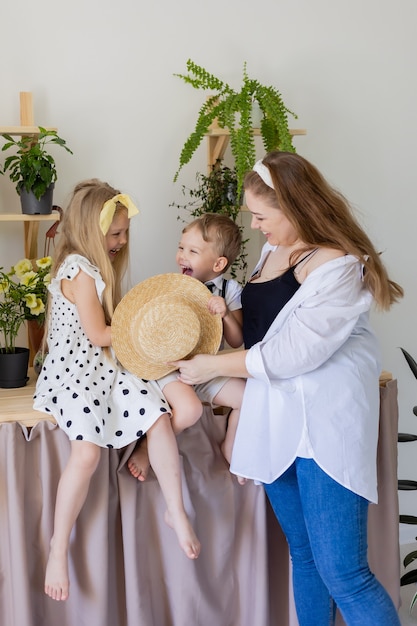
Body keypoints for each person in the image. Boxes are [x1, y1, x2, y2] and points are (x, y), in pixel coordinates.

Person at [173, 151, 404, 625]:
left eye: (261, 216)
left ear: (295, 209)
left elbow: (292, 353)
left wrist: (210, 367)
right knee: (305, 554)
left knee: (345, 572)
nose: (256, 227)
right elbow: (259, 328)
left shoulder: (338, 266)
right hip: (276, 415)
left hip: (321, 424)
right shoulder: (274, 250)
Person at [33, 179, 200, 603]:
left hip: (106, 364)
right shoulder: (78, 269)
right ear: (91, 231)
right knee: (86, 453)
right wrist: (147, 336)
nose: (122, 241)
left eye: (125, 232)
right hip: (75, 369)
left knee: (160, 419)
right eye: (115, 234)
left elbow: (110, 338)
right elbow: (98, 333)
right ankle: (58, 548)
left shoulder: (96, 268)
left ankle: (175, 510)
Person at [127, 213, 246, 481]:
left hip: (208, 368)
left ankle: (231, 445)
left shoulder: (230, 289)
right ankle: (148, 446)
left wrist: (225, 314)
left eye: (192, 251)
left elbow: (237, 341)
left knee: (248, 398)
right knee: (189, 410)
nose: (182, 256)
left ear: (218, 263)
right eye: (181, 248)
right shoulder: (174, 286)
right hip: (174, 367)